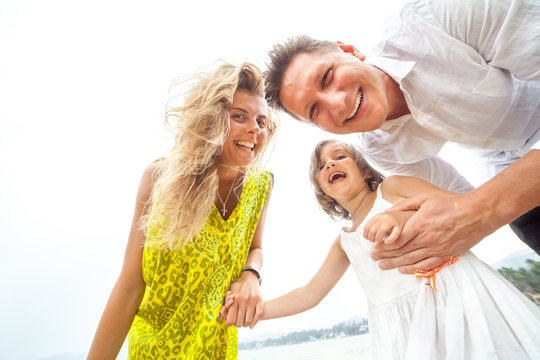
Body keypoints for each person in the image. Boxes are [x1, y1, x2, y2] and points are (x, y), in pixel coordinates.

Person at [263, 0, 540, 274]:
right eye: (314, 110)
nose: (336, 104)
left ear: (350, 51)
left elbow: (475, 209)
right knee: (522, 219)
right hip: (507, 168)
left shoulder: (436, 18)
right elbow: (454, 200)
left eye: (327, 77)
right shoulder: (381, 150)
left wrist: (482, 209)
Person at [222, 140, 540, 359]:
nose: (330, 162)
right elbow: (309, 294)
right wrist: (256, 311)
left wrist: (400, 215)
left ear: (363, 168)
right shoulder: (345, 242)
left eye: (340, 155)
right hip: (408, 333)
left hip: (459, 300)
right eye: (321, 166)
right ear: (322, 189)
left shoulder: (394, 188)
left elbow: (457, 208)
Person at [87, 61, 277, 359]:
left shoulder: (261, 186)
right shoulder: (160, 178)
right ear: (212, 121)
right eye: (239, 116)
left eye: (262, 121)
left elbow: (256, 248)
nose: (255, 128)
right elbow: (130, 286)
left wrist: (251, 275)